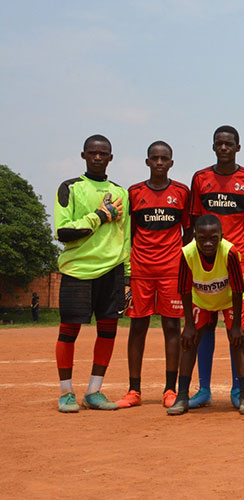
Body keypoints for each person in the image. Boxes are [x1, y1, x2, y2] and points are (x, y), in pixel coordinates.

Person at [54, 134, 130, 412]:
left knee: (108, 331)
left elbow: (126, 238)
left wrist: (128, 278)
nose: (98, 157)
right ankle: (66, 393)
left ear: (111, 158)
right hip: (77, 270)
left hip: (112, 271)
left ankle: (94, 391)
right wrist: (99, 215)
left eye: (103, 153)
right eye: (92, 153)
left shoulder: (121, 193)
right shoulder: (70, 188)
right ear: (84, 156)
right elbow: (64, 232)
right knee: (68, 332)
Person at [189, 125, 244, 409]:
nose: (224, 148)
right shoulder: (201, 179)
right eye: (219, 143)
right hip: (204, 262)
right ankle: (204, 389)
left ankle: (236, 390)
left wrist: (242, 247)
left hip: (236, 261)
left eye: (229, 144)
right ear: (213, 147)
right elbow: (193, 221)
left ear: (238, 147)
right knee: (203, 326)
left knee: (235, 327)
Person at [116, 141, 192, 409]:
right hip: (141, 270)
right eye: (155, 158)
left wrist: (182, 262)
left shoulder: (182, 192)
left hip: (172, 271)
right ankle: (133, 390)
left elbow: (188, 232)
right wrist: (128, 269)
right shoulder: (134, 192)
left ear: (171, 163)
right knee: (138, 327)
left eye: (164, 158)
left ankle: (170, 389)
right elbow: (129, 232)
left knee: (172, 327)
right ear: (147, 162)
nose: (159, 162)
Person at [167, 214, 244, 415]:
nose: (207, 243)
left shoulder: (230, 253)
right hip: (201, 299)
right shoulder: (186, 254)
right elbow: (185, 290)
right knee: (189, 341)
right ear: (194, 237)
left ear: (221, 237)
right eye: (202, 238)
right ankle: (182, 397)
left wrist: (237, 326)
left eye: (213, 238)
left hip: (230, 298)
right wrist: (188, 324)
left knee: (238, 341)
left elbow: (238, 290)